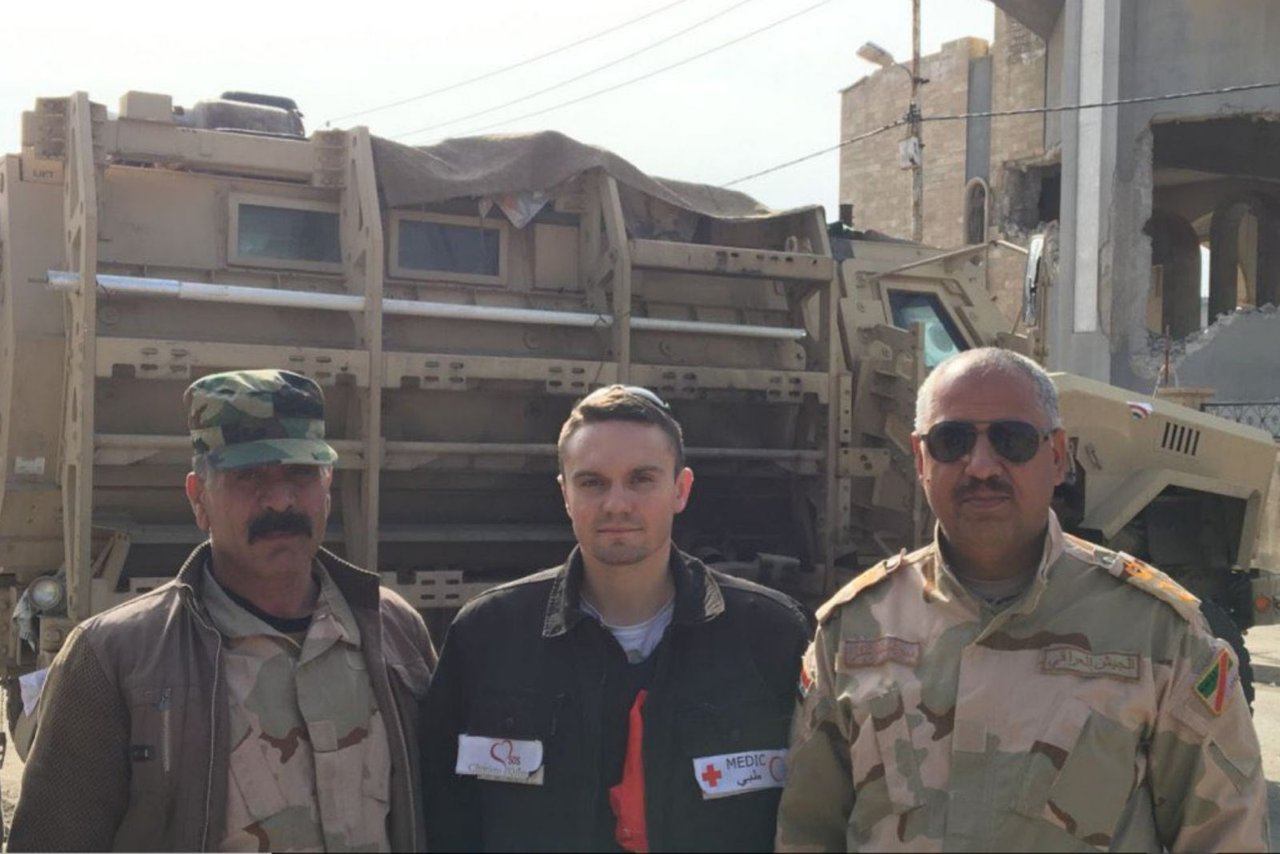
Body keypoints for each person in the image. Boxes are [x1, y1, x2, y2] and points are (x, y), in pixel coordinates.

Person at [777, 347, 1269, 852]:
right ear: (921, 459)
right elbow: (807, 830)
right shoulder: (855, 629)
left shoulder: (1156, 631)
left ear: (1056, 457)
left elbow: (1226, 836)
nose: (981, 466)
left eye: (1012, 440)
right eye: (952, 441)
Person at [8, 369, 436, 851]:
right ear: (198, 498)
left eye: (301, 473)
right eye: (248, 476)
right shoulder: (115, 658)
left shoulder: (393, 630)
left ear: (328, 484)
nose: (280, 500)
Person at [423, 384, 811, 852]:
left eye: (641, 479)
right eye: (592, 482)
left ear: (681, 489)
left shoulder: (771, 637)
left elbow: (814, 815)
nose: (617, 504)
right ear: (565, 494)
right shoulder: (488, 637)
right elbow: (443, 816)